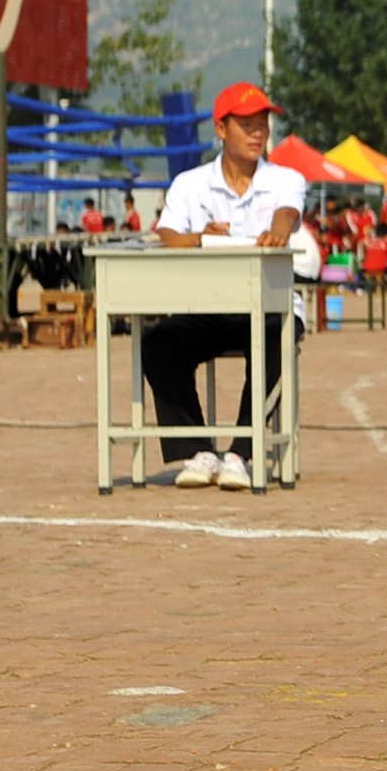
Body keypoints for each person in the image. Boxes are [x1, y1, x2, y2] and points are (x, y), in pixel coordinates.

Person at [145, 82, 307, 492]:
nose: (257, 133)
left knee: (276, 335)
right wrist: (200, 236)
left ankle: (241, 452)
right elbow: (166, 234)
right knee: (159, 342)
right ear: (221, 128)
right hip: (208, 308)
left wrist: (278, 230)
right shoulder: (190, 183)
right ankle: (199, 450)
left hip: (271, 305)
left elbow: (288, 213)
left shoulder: (286, 178)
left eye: (263, 124)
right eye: (246, 124)